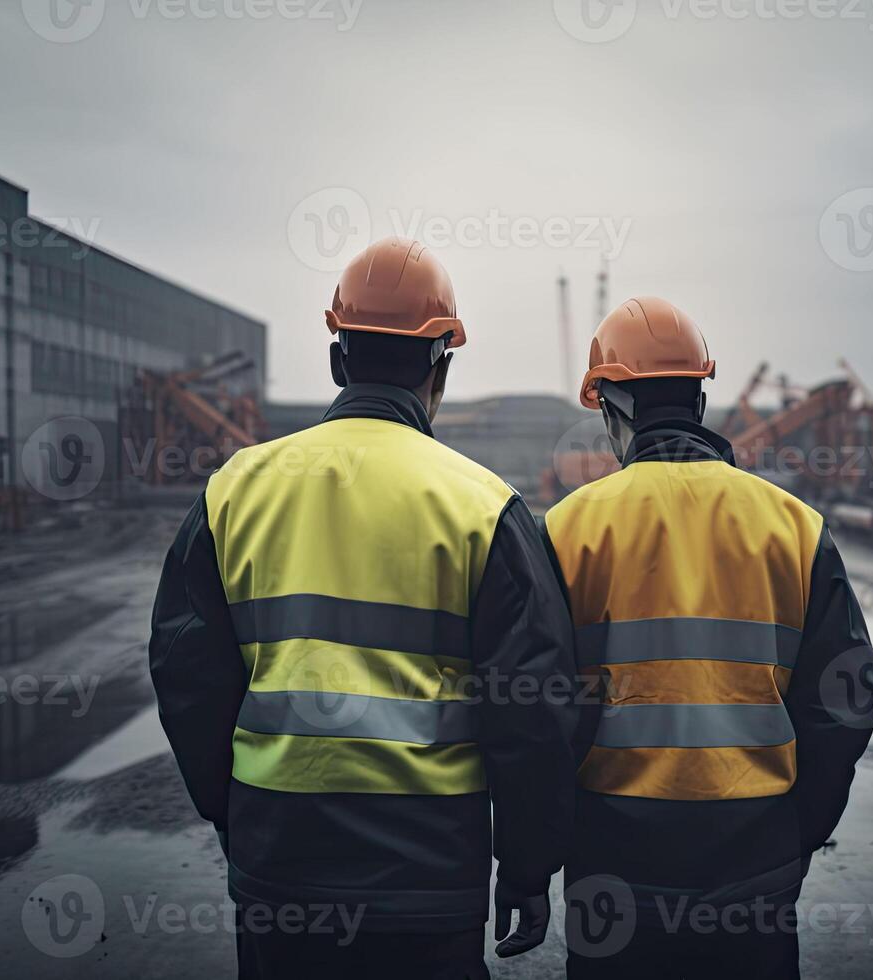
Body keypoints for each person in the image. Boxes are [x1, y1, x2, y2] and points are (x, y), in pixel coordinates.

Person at [150, 237, 578, 979]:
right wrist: (526, 866)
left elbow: (185, 678)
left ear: (335, 358)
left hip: (279, 864)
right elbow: (533, 709)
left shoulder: (234, 490)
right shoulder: (484, 507)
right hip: (428, 877)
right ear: (439, 367)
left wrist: (235, 816)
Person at [544, 297, 873, 979]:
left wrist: (540, 847)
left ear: (610, 404)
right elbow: (846, 699)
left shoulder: (565, 527)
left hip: (614, 858)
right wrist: (799, 831)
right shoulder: (793, 525)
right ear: (699, 398)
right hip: (754, 856)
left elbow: (536, 708)